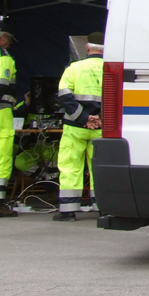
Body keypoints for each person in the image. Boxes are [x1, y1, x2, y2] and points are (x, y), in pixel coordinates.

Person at [54, 32, 104, 222]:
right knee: (98, 168)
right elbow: (117, 98)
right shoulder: (110, 68)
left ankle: (67, 211)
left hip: (75, 127)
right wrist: (99, 118)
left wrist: (83, 118)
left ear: (87, 48)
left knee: (70, 166)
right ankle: (102, 208)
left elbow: (64, 96)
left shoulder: (73, 68)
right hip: (101, 129)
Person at [0, 27, 19, 218]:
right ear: (3, 39)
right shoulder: (3, 58)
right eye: (10, 42)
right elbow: (1, 86)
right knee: (1, 157)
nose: (10, 46)